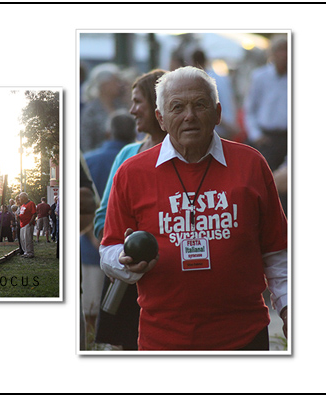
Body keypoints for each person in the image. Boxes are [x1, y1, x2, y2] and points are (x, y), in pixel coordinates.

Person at [99, 66, 288, 350]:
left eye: (200, 105)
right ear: (161, 119)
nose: (190, 115)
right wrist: (125, 260)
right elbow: (108, 249)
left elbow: (277, 253)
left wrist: (289, 310)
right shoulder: (131, 173)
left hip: (244, 338)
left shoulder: (251, 164)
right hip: (162, 341)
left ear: (218, 113)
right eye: (177, 107)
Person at [91, 69, 167, 350]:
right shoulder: (127, 154)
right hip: (127, 277)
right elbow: (102, 218)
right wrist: (124, 245)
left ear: (158, 105)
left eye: (138, 102)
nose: (132, 110)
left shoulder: (184, 151)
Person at [244, 35, 288, 171]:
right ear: (272, 53)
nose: (284, 54)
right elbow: (250, 109)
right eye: (280, 50)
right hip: (267, 138)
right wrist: (256, 135)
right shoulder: (260, 77)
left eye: (287, 50)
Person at [80, 63, 127, 152]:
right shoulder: (91, 110)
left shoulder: (122, 106)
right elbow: (86, 140)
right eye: (116, 81)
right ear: (104, 84)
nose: (119, 85)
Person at [18, 192, 36, 258]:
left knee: (28, 239)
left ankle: (30, 252)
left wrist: (30, 222)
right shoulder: (22, 205)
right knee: (23, 239)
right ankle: (25, 252)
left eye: (20, 197)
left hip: (28, 223)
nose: (19, 199)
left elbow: (34, 213)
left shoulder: (31, 204)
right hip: (22, 224)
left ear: (23, 197)